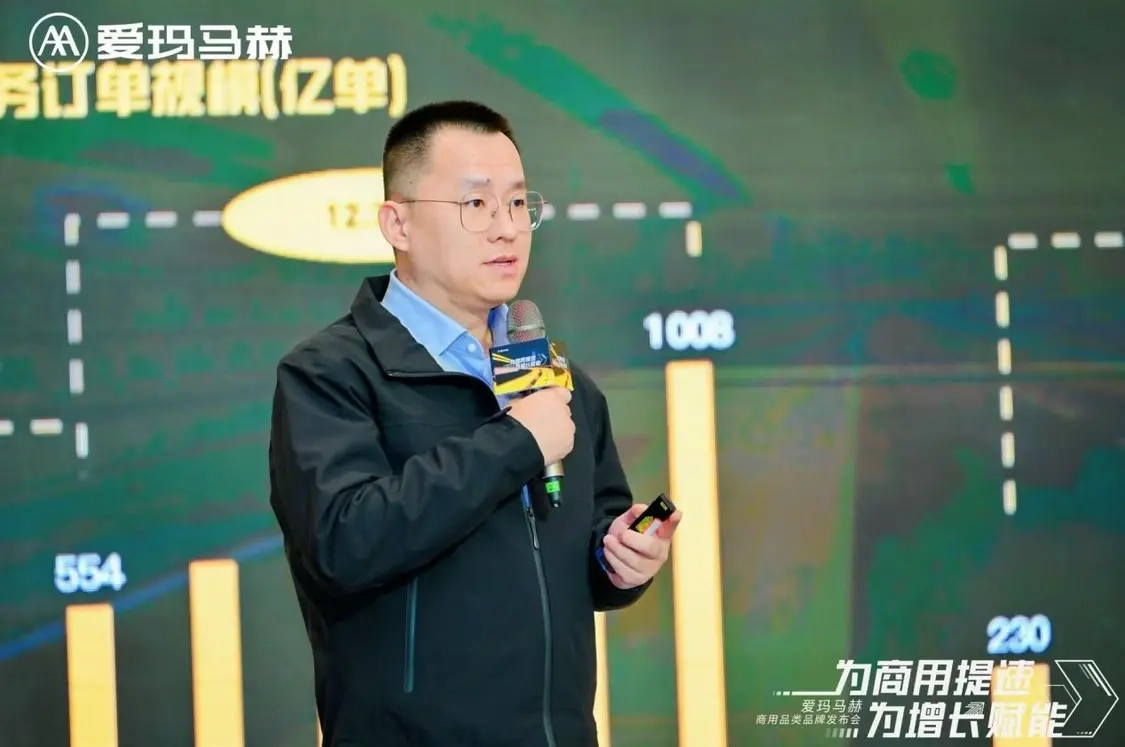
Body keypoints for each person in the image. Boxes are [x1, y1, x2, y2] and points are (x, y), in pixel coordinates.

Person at [268, 100, 682, 747]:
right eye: (476, 204)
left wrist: (620, 560)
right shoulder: (330, 373)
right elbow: (343, 543)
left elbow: (575, 549)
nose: (506, 229)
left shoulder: (556, 382)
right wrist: (515, 442)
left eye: (517, 203)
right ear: (397, 223)